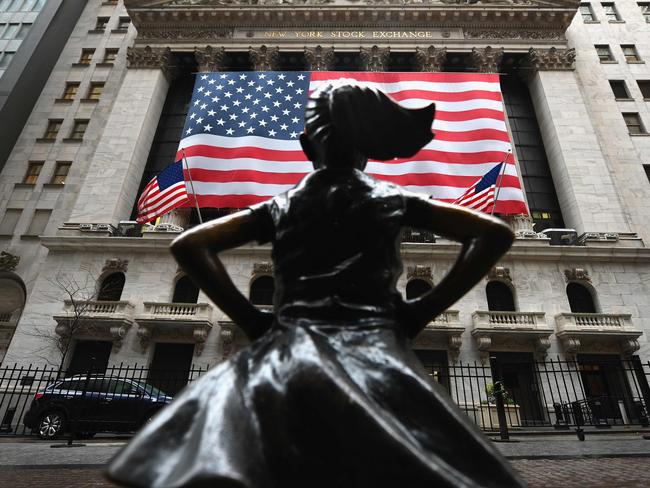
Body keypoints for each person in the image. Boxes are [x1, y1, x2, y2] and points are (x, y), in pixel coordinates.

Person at [107, 82, 525, 488]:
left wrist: (253, 321)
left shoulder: (284, 205)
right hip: (373, 348)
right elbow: (494, 234)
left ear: (308, 146)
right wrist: (419, 311)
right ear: (369, 146)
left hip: (288, 348)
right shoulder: (392, 200)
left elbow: (191, 242)